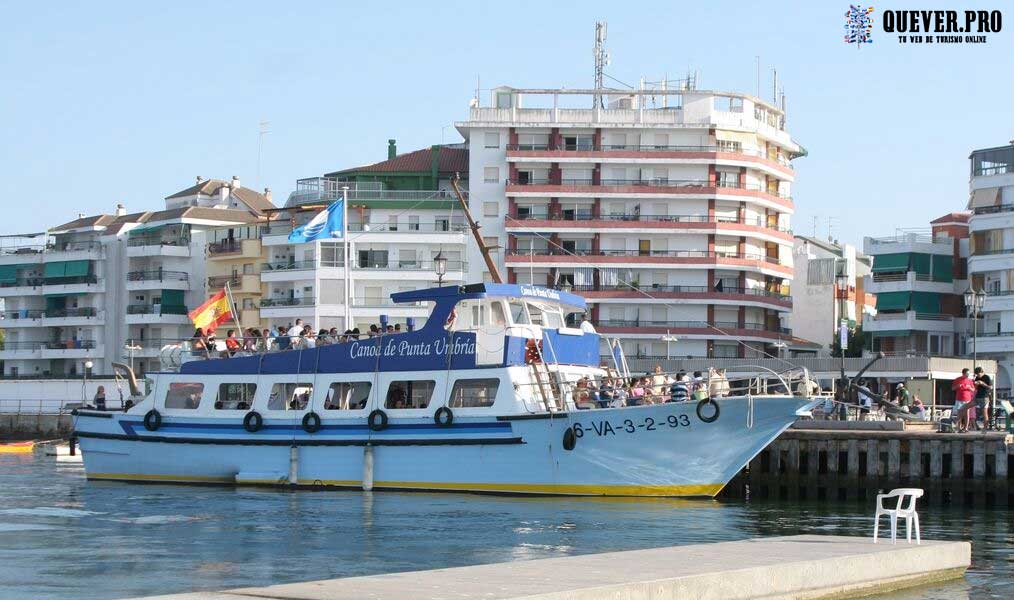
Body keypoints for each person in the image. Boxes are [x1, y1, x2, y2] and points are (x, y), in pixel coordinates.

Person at [952, 368, 976, 432]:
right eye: (967, 374)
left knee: (966, 413)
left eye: (969, 374)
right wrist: (958, 386)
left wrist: (970, 388)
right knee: (959, 413)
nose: (968, 375)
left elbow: (973, 389)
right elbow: (953, 388)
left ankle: (966, 428)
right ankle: (959, 428)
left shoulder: (970, 380)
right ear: (963, 373)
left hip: (967, 399)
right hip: (959, 399)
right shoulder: (957, 379)